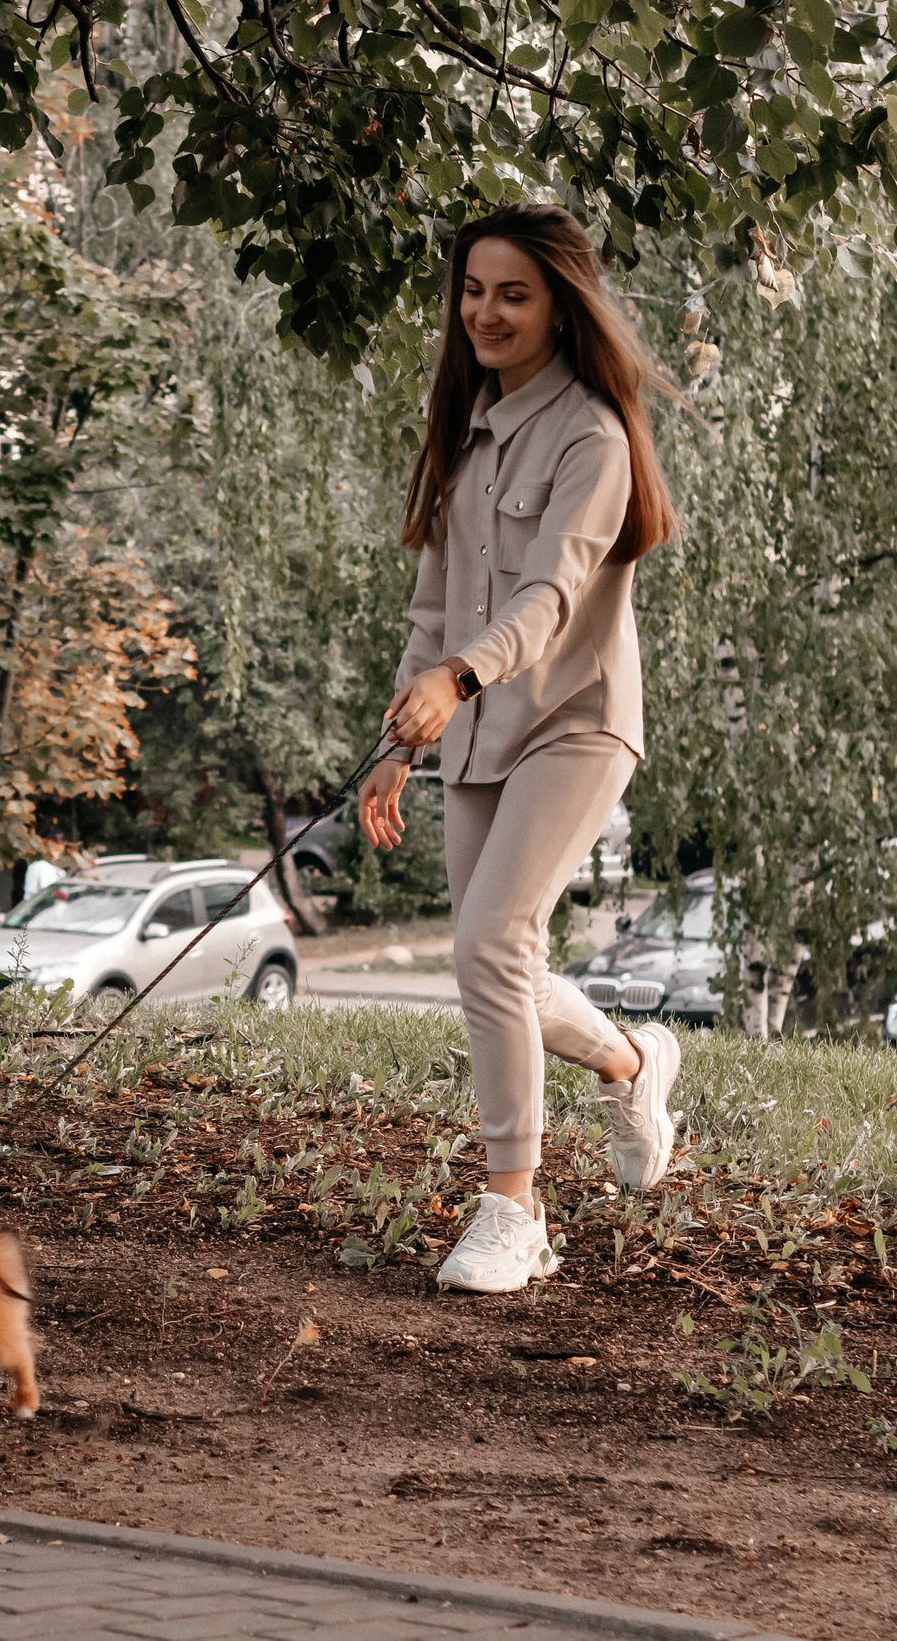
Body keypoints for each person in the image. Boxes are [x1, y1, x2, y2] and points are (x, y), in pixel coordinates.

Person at [357, 204, 683, 1294]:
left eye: (513, 293)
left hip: (575, 720)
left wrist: (459, 678)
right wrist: (398, 739)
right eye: (473, 291)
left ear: (559, 305)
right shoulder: (466, 429)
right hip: (477, 721)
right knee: (499, 959)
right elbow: (435, 603)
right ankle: (633, 1062)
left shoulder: (591, 435)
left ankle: (512, 1207)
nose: (486, 312)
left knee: (489, 946)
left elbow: (550, 595)